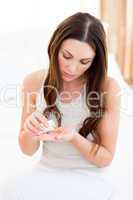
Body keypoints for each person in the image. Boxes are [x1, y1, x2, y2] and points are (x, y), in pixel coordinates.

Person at [1, 12, 121, 200]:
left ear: (95, 61)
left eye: (84, 62)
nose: (72, 68)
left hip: (90, 176)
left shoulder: (107, 87)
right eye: (67, 56)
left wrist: (73, 137)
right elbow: (27, 150)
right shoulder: (33, 82)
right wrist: (30, 129)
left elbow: (105, 158)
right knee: (8, 191)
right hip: (46, 170)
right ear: (55, 47)